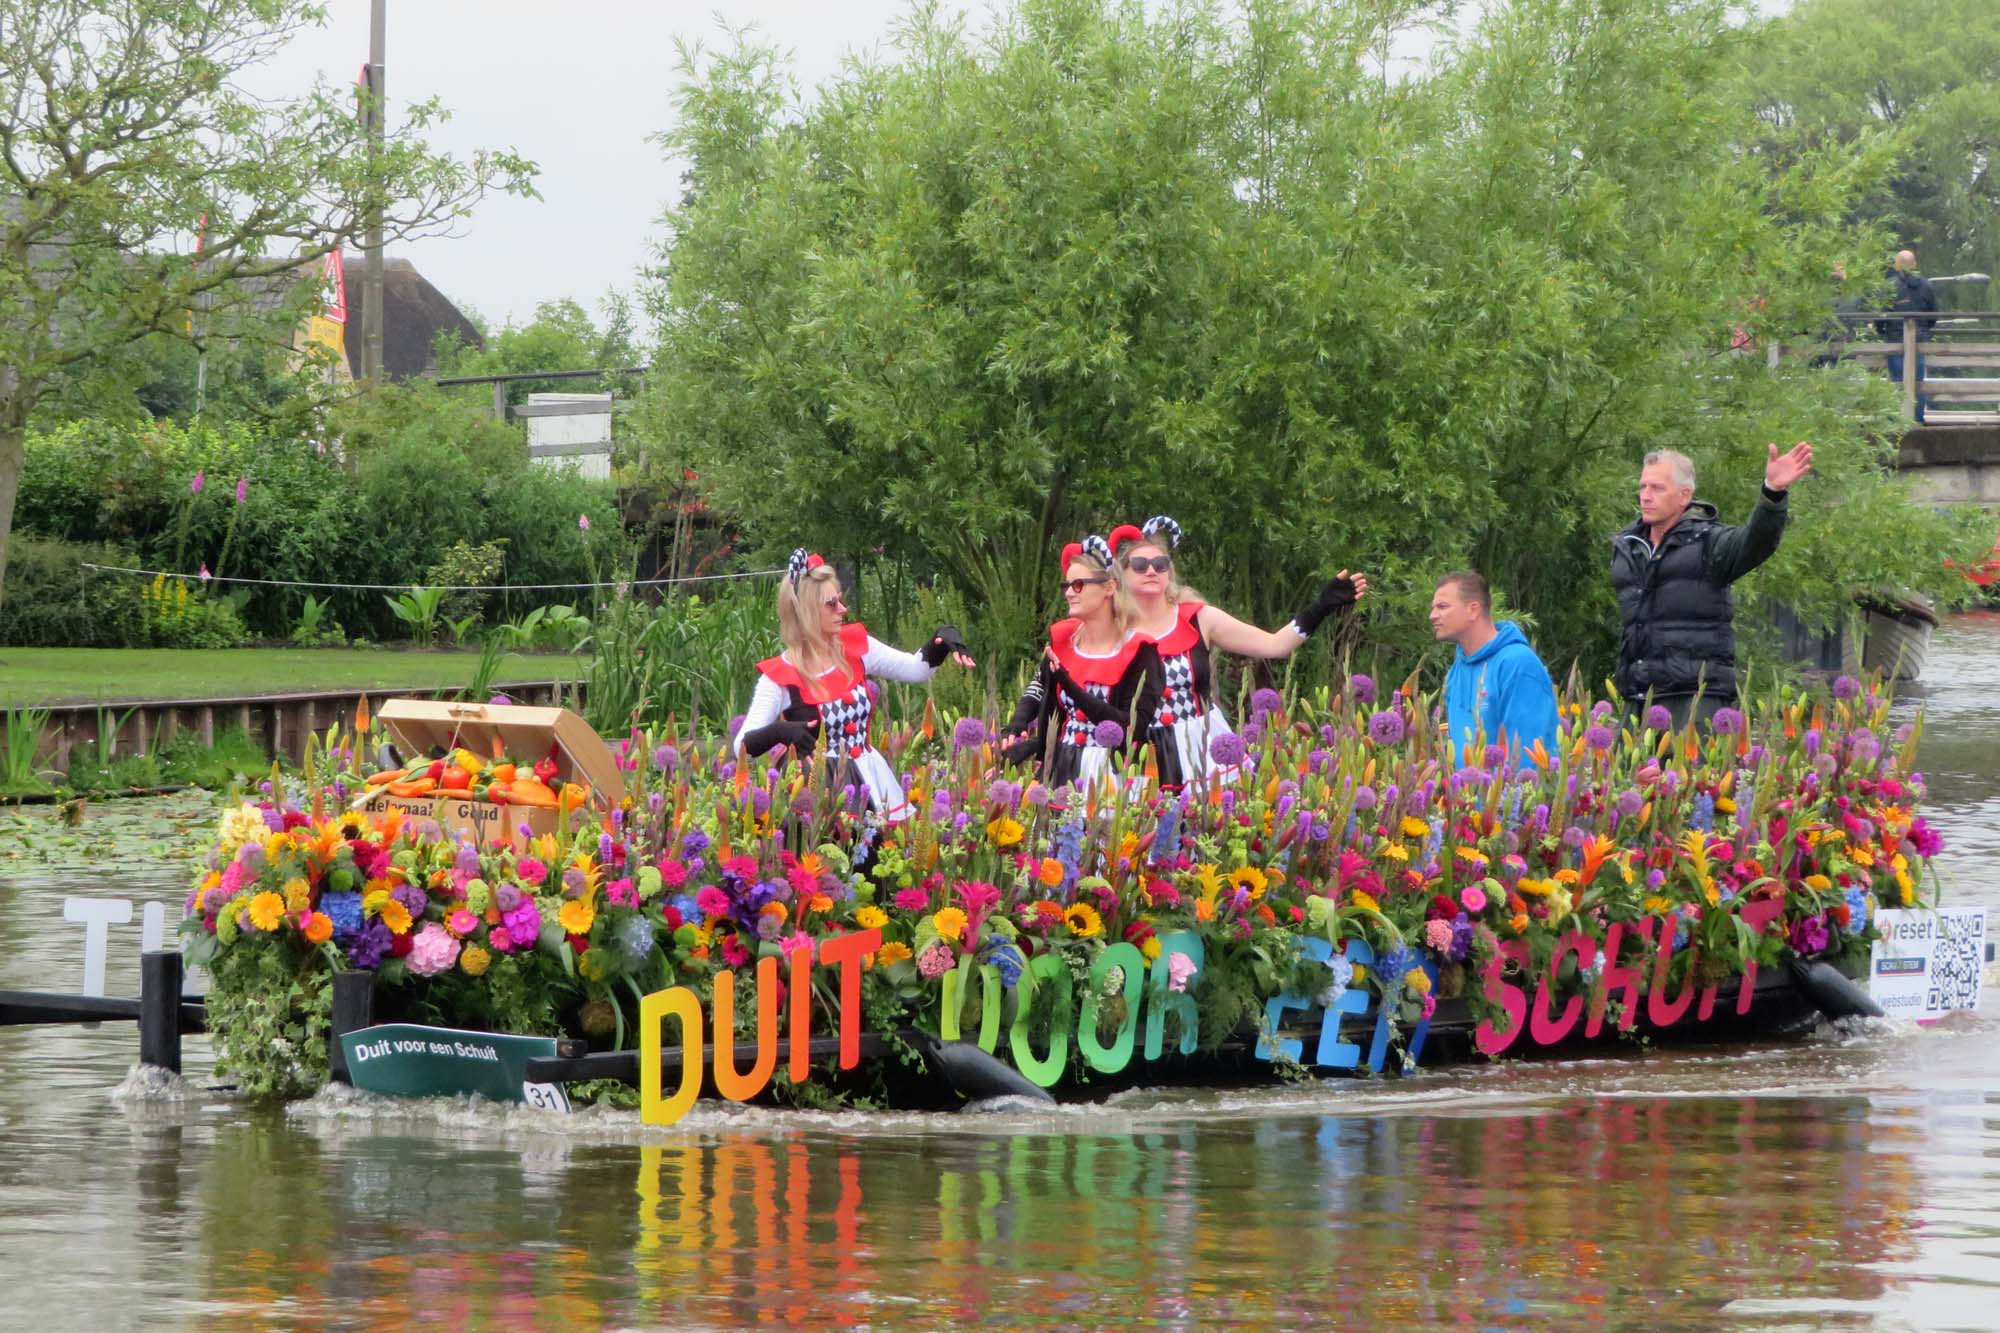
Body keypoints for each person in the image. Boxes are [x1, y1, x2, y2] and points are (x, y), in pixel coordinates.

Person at [1110, 515, 1366, 787]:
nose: (1151, 571)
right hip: (1136, 753)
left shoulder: (1199, 618)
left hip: (1197, 749)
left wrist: (1323, 605)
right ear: (1121, 574)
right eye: (1140, 565)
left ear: (1169, 572)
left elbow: (1275, 645)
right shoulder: (1109, 629)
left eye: (1160, 564)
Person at [737, 550, 974, 822]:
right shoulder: (779, 676)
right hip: (819, 795)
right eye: (831, 604)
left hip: (872, 781)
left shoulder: (856, 647)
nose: (842, 609)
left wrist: (941, 640)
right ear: (805, 613)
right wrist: (780, 731)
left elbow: (916, 669)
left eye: (840, 600)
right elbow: (741, 747)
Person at [1611, 444, 1812, 727]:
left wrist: (1772, 493)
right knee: (1622, 772)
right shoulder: (1628, 547)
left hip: (1695, 698)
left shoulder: (1709, 542)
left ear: (1684, 496)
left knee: (1694, 773)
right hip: (1639, 694)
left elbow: (1755, 542)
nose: (1645, 496)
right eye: (1643, 486)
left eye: (1657, 488)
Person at [999, 534, 1162, 790]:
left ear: (1109, 588)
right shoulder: (1063, 640)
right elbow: (1039, 687)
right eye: (1066, 586)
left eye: (1079, 585)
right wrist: (1018, 724)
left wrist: (1071, 686)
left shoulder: (1140, 653)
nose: (1069, 594)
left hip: (1114, 774)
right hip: (1064, 764)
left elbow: (1132, 728)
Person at [1429, 571, 1558, 766]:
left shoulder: (1518, 664)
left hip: (1510, 795)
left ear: (1473, 610)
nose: (1432, 615)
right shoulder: (1457, 669)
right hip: (1465, 795)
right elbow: (1452, 737)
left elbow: (1527, 754)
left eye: (1442, 607)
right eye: (1434, 608)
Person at [1875, 250, 1939, 422]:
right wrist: (1924, 331)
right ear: (1915, 264)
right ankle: (1917, 420)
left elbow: (1880, 317)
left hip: (1895, 343)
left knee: (1897, 383)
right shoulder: (1926, 286)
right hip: (1919, 342)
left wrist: (1883, 332)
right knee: (1918, 383)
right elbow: (1933, 315)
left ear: (1897, 265)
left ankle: (1897, 421)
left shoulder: (1889, 286)